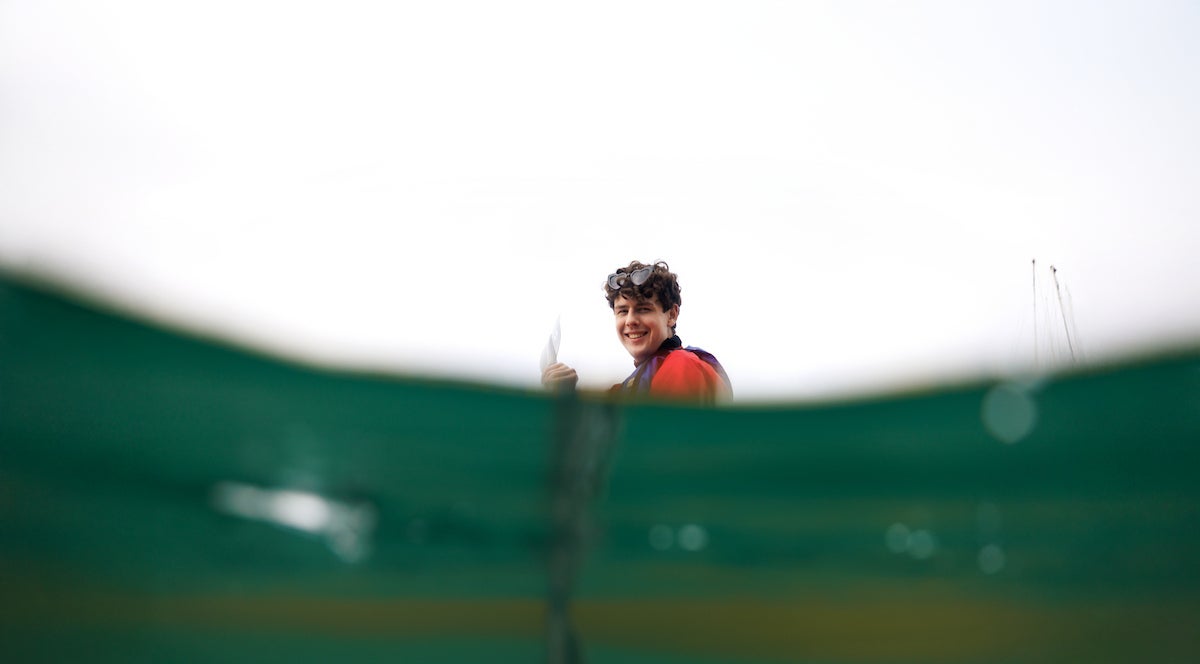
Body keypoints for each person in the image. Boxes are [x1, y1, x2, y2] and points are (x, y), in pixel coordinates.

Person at [542, 261, 731, 403]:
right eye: (623, 311)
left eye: (643, 309)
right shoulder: (633, 384)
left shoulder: (681, 364)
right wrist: (566, 394)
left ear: (672, 315)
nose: (631, 320)